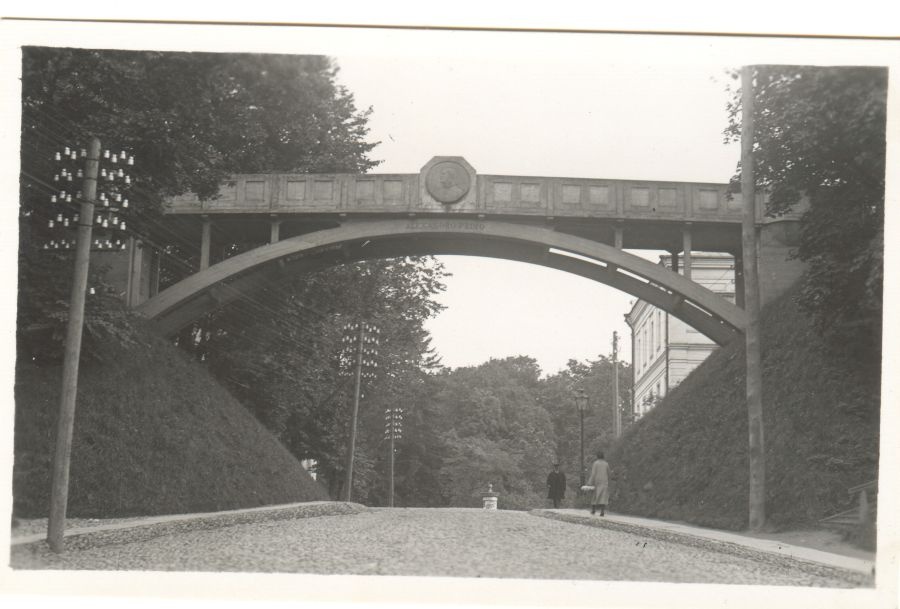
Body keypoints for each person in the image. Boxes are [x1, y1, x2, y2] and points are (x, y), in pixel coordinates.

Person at [586, 450, 610, 516]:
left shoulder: (595, 463)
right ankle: (602, 511)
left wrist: (589, 482)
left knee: (595, 496)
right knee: (603, 496)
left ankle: (593, 510)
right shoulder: (606, 463)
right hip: (604, 481)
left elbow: (593, 473)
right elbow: (608, 473)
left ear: (597, 456)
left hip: (597, 482)